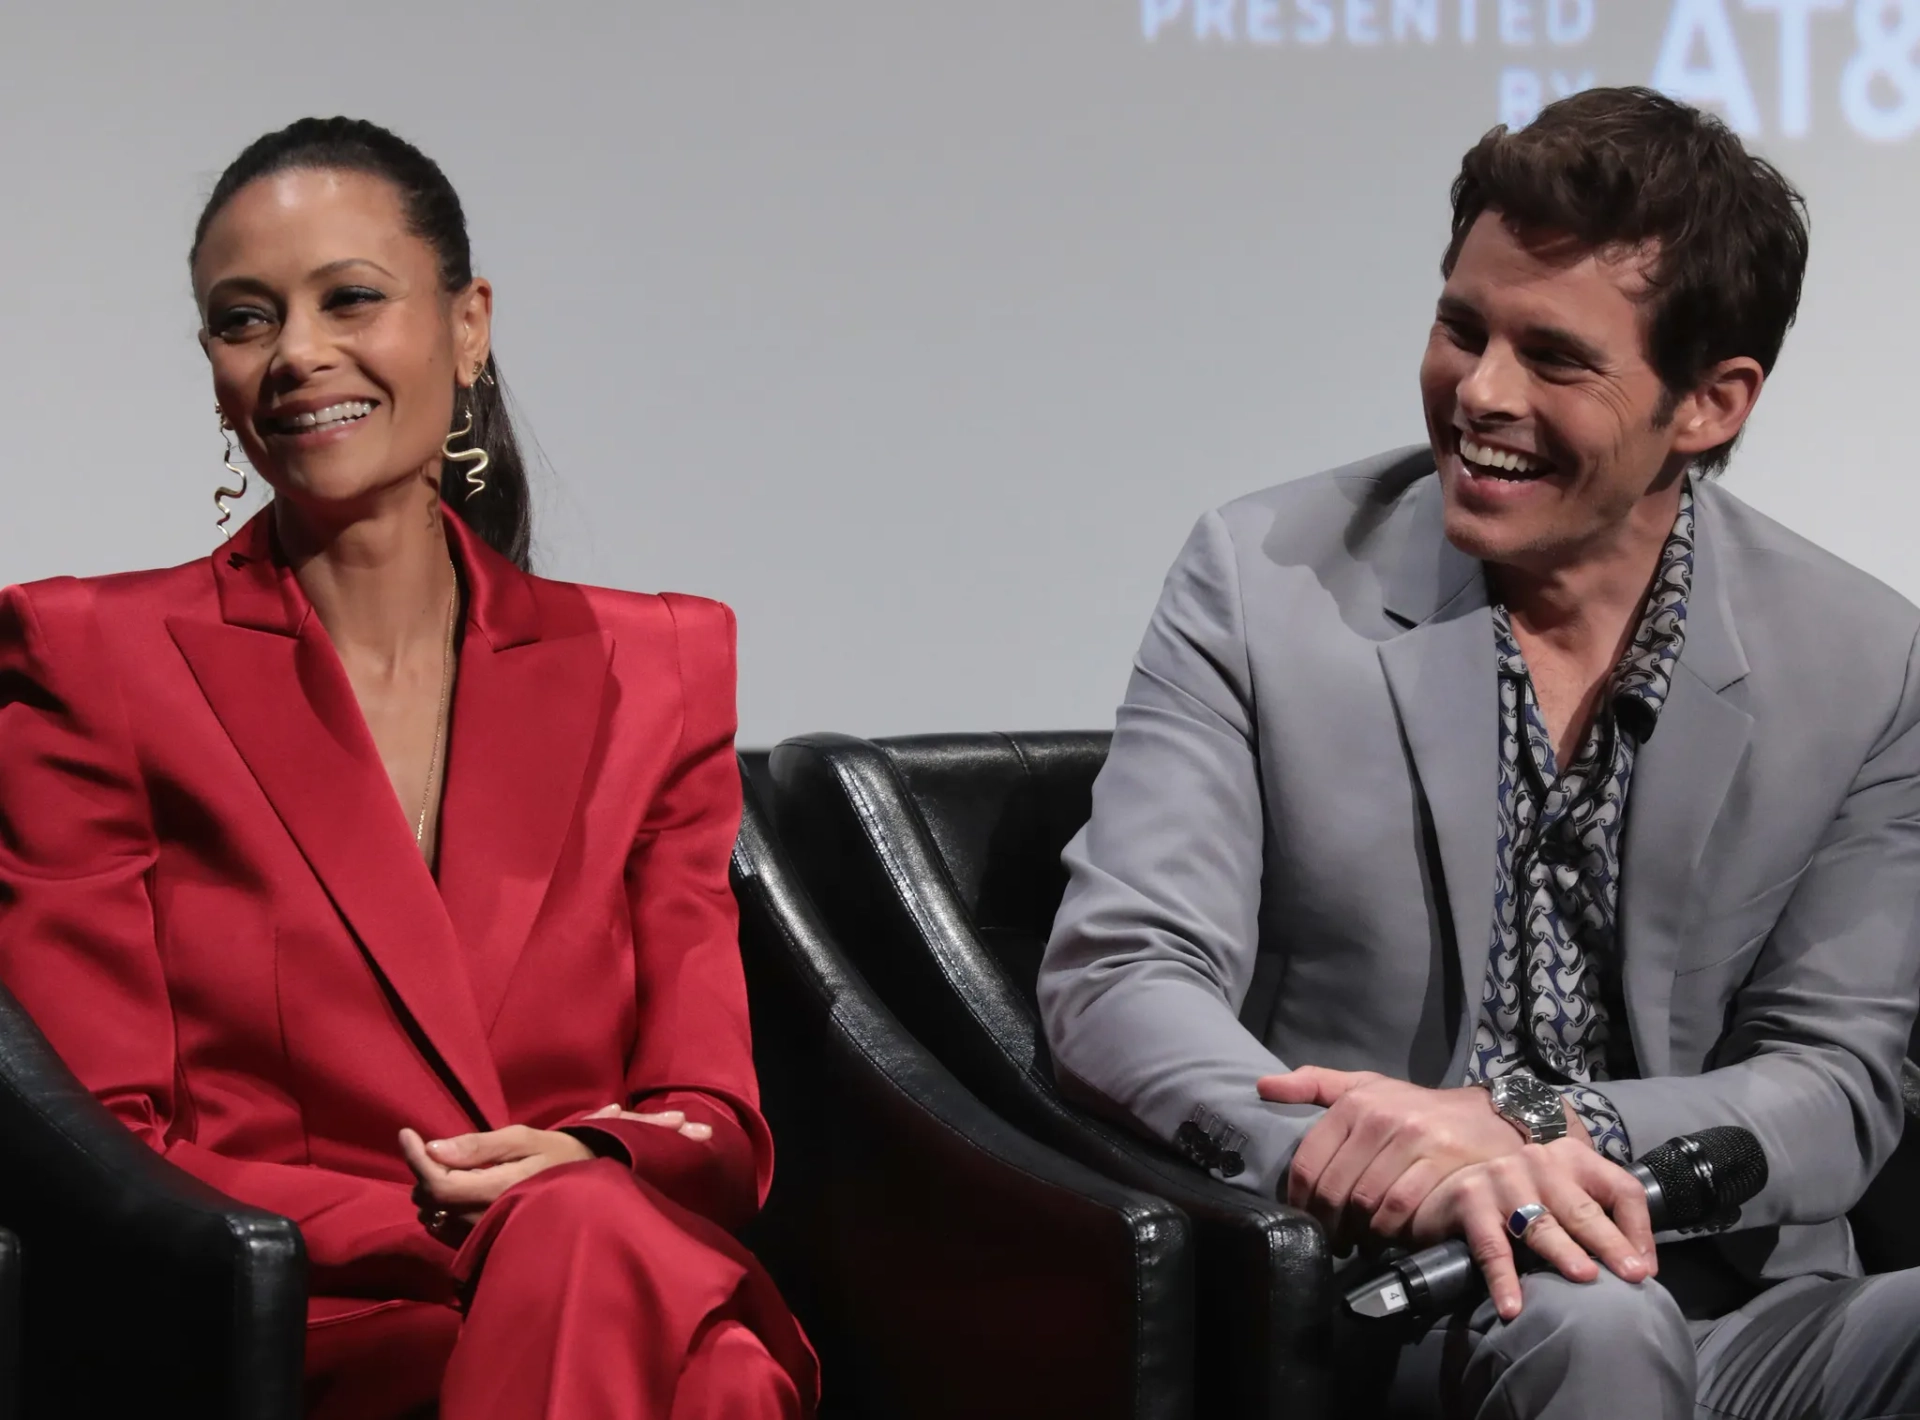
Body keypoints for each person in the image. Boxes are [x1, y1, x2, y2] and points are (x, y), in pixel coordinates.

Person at [1038, 86, 1920, 1418]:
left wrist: (1551, 1136)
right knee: (1591, 1328)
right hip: (1417, 1296)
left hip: (1742, 1310)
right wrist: (1373, 1148)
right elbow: (1121, 975)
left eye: (1556, 359)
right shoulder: (1264, 580)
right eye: (1463, 330)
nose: (1482, 395)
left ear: (1710, 404)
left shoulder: (1864, 655)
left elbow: (1839, 1077)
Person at [0, 117, 816, 1420]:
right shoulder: (90, 657)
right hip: (315, 1311)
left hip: (605, 1263)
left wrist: (577, 1169)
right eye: (245, 319)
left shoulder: (658, 662)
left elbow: (711, 1115)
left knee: (606, 1253)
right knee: (706, 1369)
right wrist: (455, 1226)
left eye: (353, 299)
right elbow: (106, 1140)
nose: (299, 353)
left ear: (469, 323)